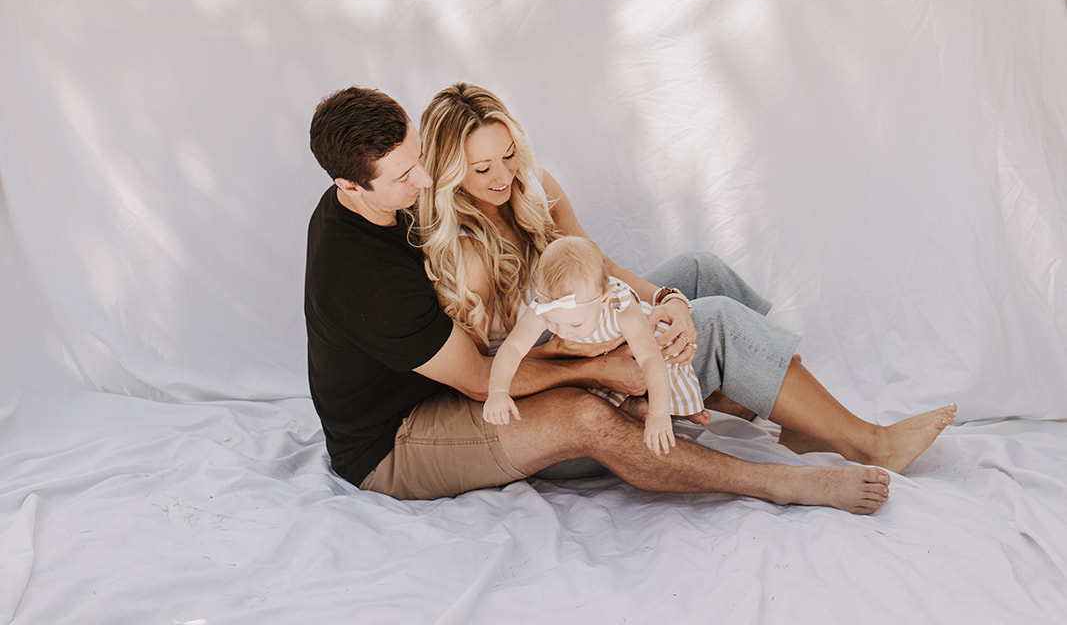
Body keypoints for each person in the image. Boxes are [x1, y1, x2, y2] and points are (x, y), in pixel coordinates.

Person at [303, 83, 942, 511]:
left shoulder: (493, 190)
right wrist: (611, 355)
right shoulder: (393, 266)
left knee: (699, 274)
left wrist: (664, 299)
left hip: (549, 340)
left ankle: (786, 414)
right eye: (410, 174)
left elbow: (595, 263)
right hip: (407, 432)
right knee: (708, 328)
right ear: (351, 188)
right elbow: (481, 374)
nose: (420, 182)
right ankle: (850, 449)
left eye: (420, 160)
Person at [483, 235, 707, 456]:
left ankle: (685, 405)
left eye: (574, 324)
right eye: (553, 322)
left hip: (633, 342)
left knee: (665, 356)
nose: (563, 332)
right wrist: (498, 391)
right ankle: (632, 404)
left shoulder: (623, 310)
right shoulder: (545, 308)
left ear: (604, 299)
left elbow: (650, 358)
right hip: (594, 356)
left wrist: (660, 414)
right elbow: (512, 349)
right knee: (586, 395)